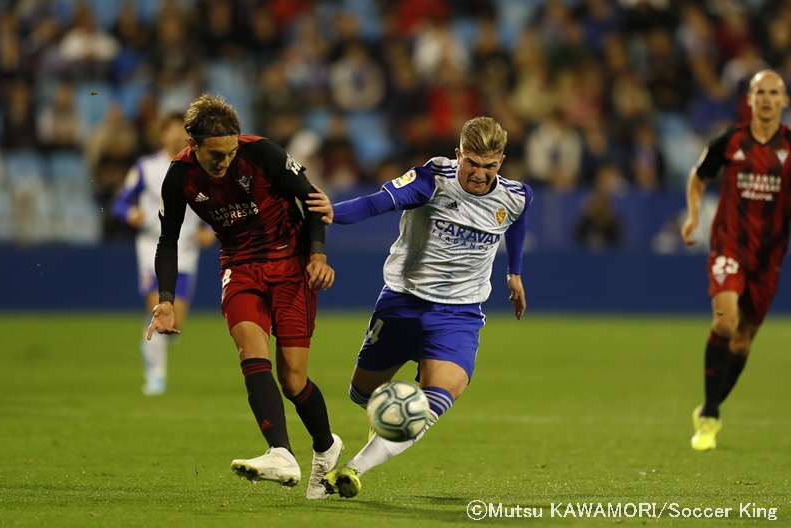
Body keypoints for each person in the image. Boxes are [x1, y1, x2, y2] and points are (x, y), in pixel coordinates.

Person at [307, 116, 532, 498]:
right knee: (361, 394)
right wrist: (334, 212)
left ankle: (351, 471)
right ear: (458, 153)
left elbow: (516, 221)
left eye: (489, 165)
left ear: (501, 161)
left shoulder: (516, 194)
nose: (479, 174)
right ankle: (371, 422)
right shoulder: (431, 179)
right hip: (403, 301)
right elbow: (377, 202)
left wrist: (514, 273)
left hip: (459, 313)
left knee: (435, 401)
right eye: (472, 163)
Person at [146, 94, 342, 499]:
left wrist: (319, 254)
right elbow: (168, 240)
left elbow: (313, 199)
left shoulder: (263, 153)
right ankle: (281, 452)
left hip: (291, 264)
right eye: (216, 154)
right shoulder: (178, 176)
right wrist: (165, 297)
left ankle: (326, 447)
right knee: (251, 352)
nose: (225, 161)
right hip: (239, 265)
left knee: (293, 379)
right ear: (193, 144)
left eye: (231, 152)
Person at [681, 70, 791, 451]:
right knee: (725, 321)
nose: (766, 98)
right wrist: (694, 215)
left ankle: (710, 405)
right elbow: (699, 176)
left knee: (743, 343)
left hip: (768, 257)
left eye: (774, 92)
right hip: (729, 247)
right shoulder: (732, 139)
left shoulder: (790, 149)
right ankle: (710, 416)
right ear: (749, 98)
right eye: (760, 91)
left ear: (784, 101)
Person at [112, 112, 216, 395]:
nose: (177, 135)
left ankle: (151, 345)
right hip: (152, 248)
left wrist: (210, 230)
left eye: (182, 130)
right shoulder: (146, 168)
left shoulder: (201, 168)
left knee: (175, 323)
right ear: (162, 134)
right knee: (158, 311)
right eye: (171, 129)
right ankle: (156, 375)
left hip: (187, 250)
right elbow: (119, 203)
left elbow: (211, 204)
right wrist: (131, 213)